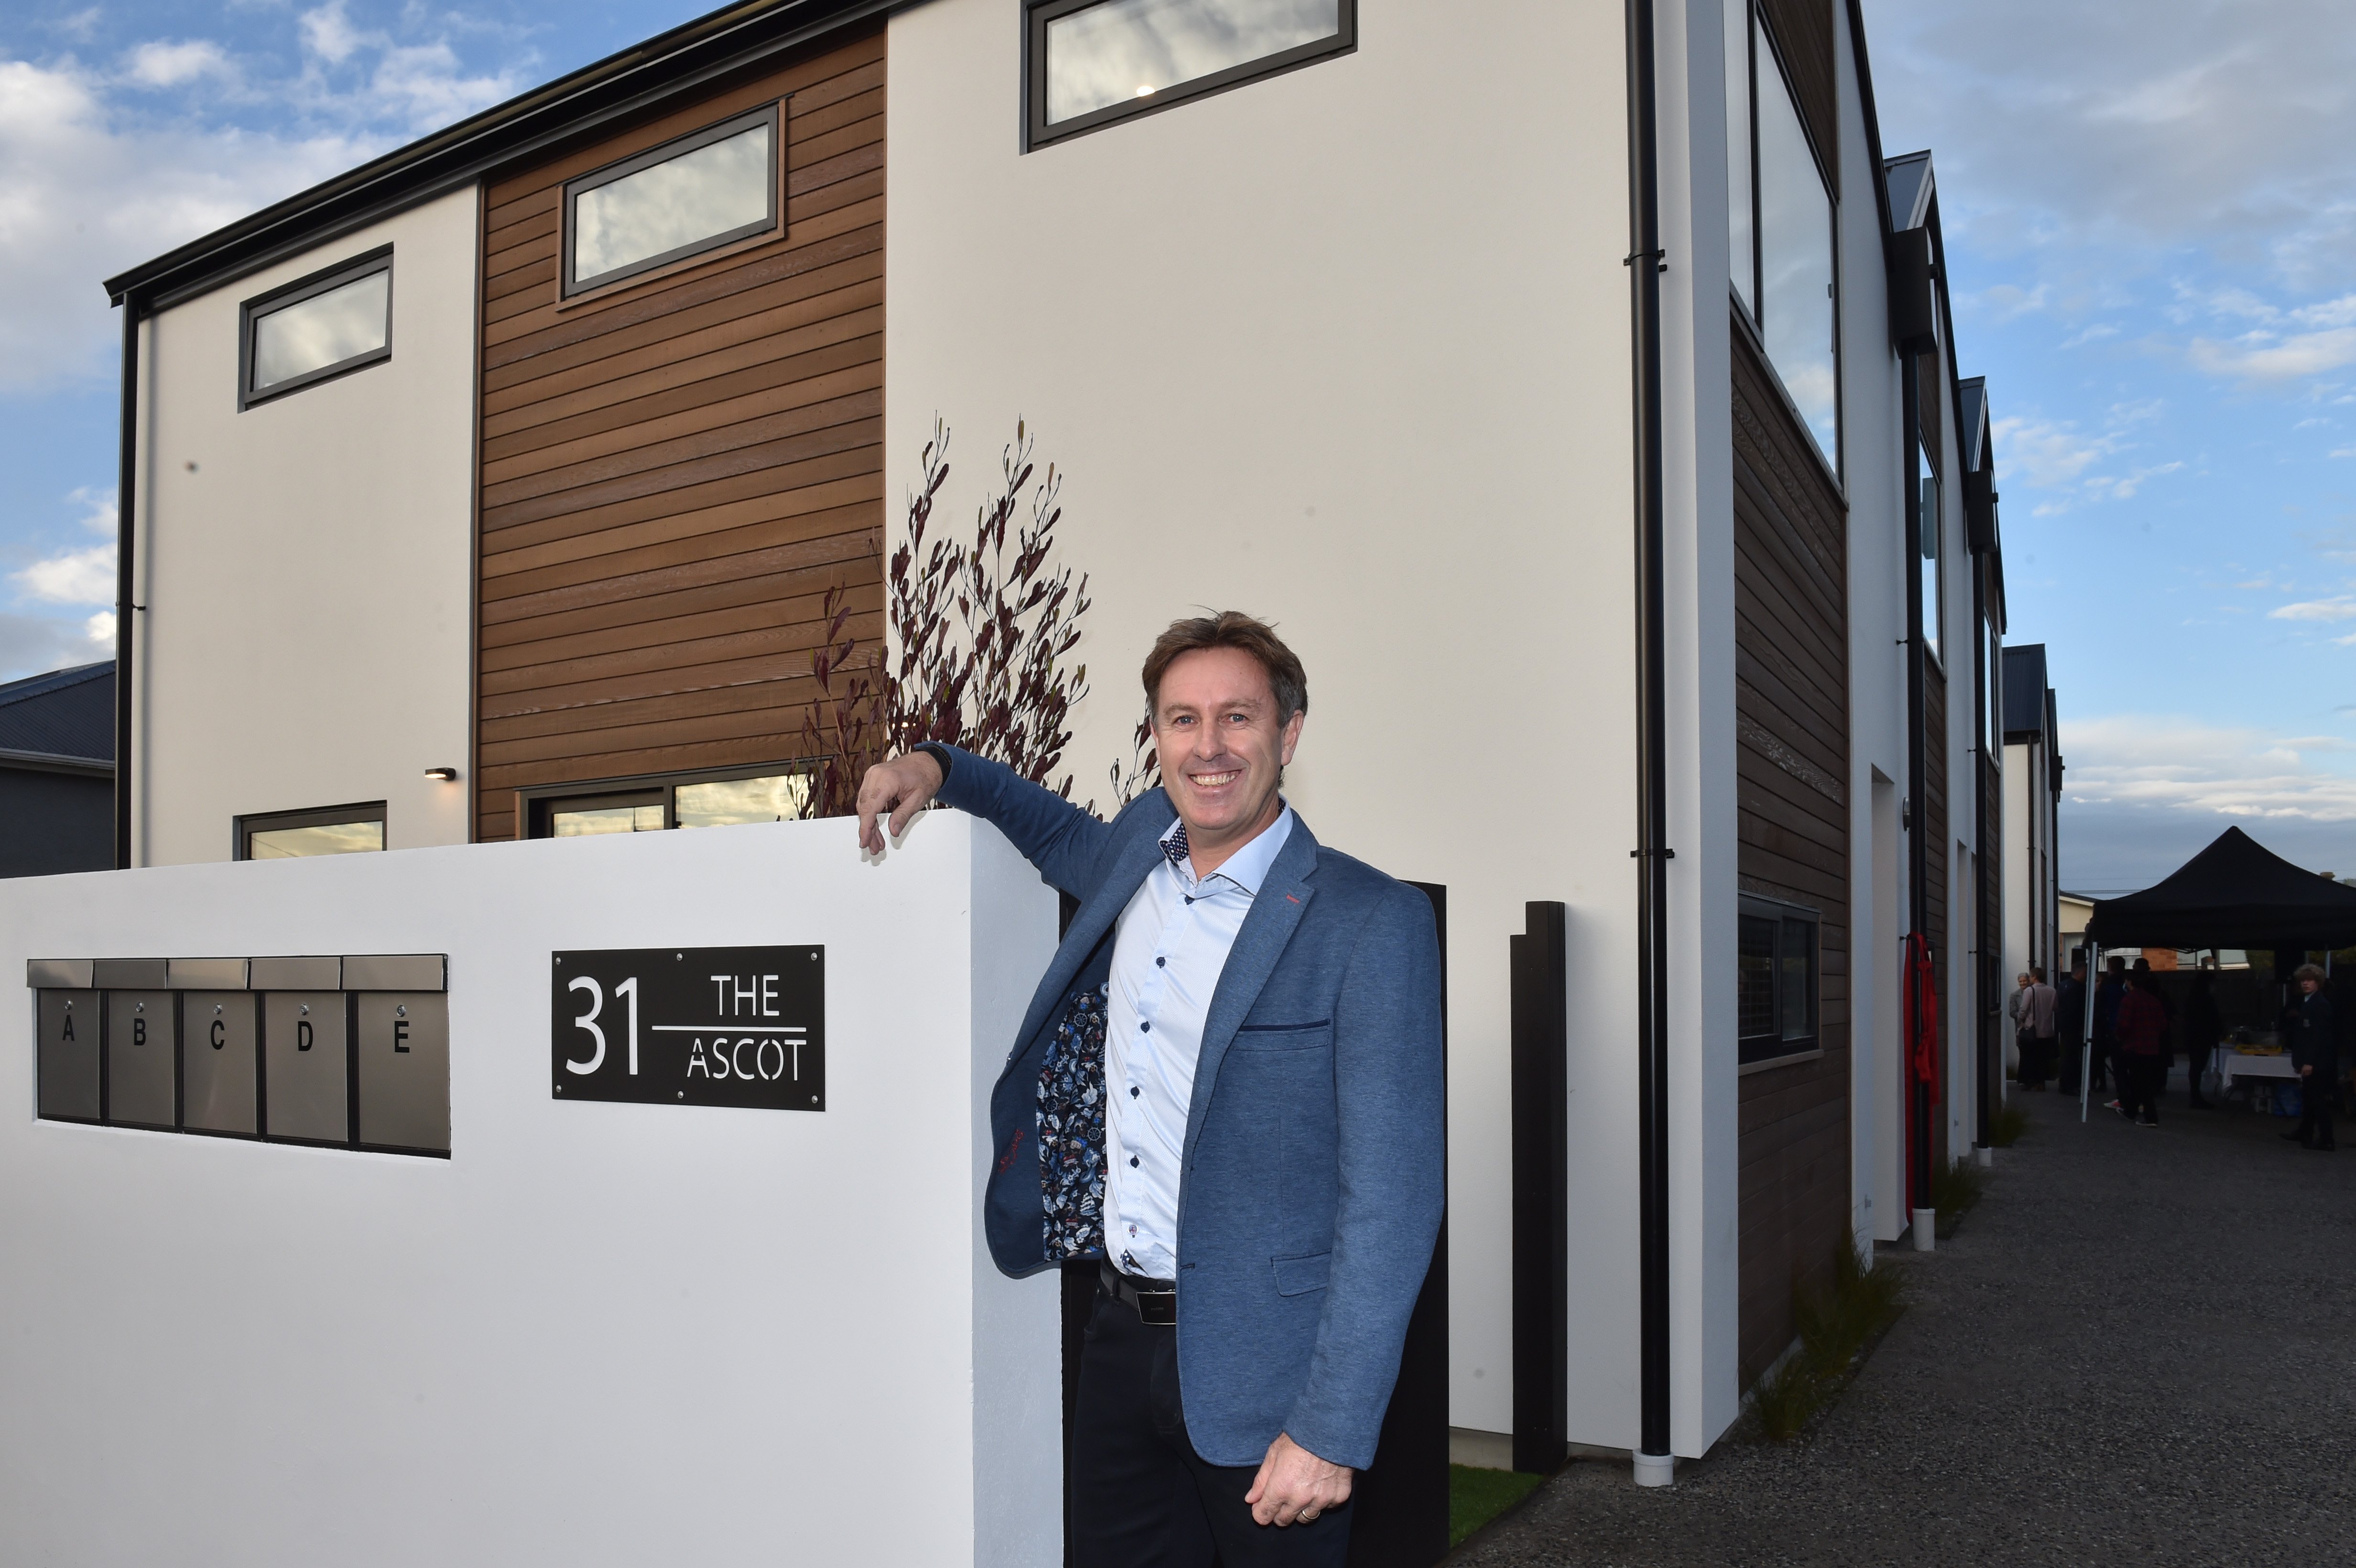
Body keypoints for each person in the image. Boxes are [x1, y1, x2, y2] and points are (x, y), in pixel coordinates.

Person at [854, 611, 1443, 1567]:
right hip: (1120, 1345)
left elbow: (1393, 1199)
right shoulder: (1138, 850)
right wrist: (937, 767)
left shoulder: (1370, 922)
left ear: (1288, 733)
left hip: (1270, 1377)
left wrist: (1332, 1426)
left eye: (1236, 718)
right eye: (1181, 719)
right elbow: (1047, 827)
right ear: (1156, 736)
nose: (1206, 746)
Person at [2284, 962, 2336, 1152]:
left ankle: (2327, 1139)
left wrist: (2309, 1062)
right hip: (2311, 1059)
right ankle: (2305, 1131)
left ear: (2318, 983)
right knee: (2309, 1098)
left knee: (2317, 1100)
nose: (2306, 984)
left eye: (2310, 981)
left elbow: (2319, 1037)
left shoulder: (2320, 1005)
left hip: (2318, 1062)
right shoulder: (2309, 1002)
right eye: (2303, 981)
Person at [2113, 968, 2169, 1126]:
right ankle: (2131, 1111)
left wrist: (2120, 1038)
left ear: (2130, 982)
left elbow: (2123, 1025)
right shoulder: (2154, 1000)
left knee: (2138, 1082)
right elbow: (2163, 1025)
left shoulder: (2129, 1000)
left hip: (2134, 1046)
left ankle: (2150, 1117)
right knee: (2141, 1080)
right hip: (2151, 1046)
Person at [2183, 961, 2221, 1109]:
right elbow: (2211, 1019)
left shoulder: (2193, 997)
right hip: (2201, 1037)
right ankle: (2195, 1096)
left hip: (2194, 1036)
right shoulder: (2204, 999)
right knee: (2197, 1067)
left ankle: (2195, 1095)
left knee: (2196, 1067)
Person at [2091, 955, 2127, 1100]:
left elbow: (2101, 1009)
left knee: (2112, 1062)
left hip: (2109, 1027)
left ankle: (2121, 1094)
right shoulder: (2124, 984)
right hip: (2122, 1026)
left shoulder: (2109, 987)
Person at [2056, 959, 2087, 1095]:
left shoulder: (2062, 986)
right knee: (2073, 1058)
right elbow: (2078, 1010)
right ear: (2081, 973)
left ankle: (2064, 1084)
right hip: (2075, 1027)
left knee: (2066, 1056)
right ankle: (2071, 1085)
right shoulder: (2079, 988)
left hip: (2064, 1026)